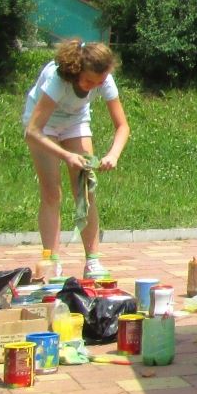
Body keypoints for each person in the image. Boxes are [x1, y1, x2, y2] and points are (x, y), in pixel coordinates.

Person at [22, 38, 129, 279]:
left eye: (100, 82)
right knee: (52, 193)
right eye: (89, 81)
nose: (94, 87)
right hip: (43, 126)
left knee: (85, 192)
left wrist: (113, 155)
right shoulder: (58, 80)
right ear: (76, 71)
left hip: (75, 122)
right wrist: (66, 155)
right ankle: (52, 262)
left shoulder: (103, 79)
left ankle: (92, 261)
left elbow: (122, 126)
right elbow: (32, 131)